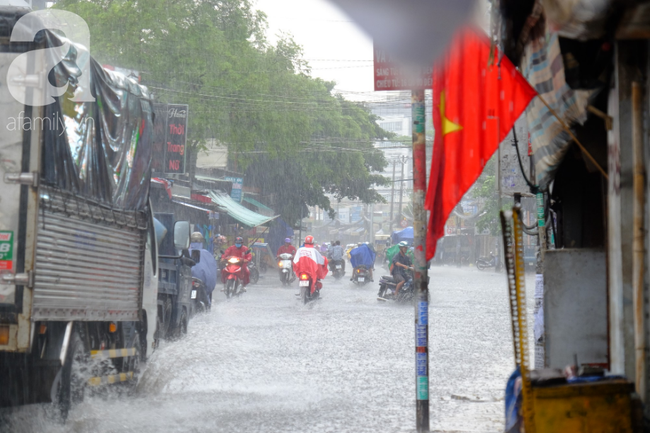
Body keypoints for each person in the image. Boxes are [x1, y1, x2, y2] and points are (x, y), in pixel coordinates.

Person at [189, 232, 218, 305]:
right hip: (202, 284)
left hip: (187, 281)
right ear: (202, 241)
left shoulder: (185, 252)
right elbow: (212, 274)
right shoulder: (207, 254)